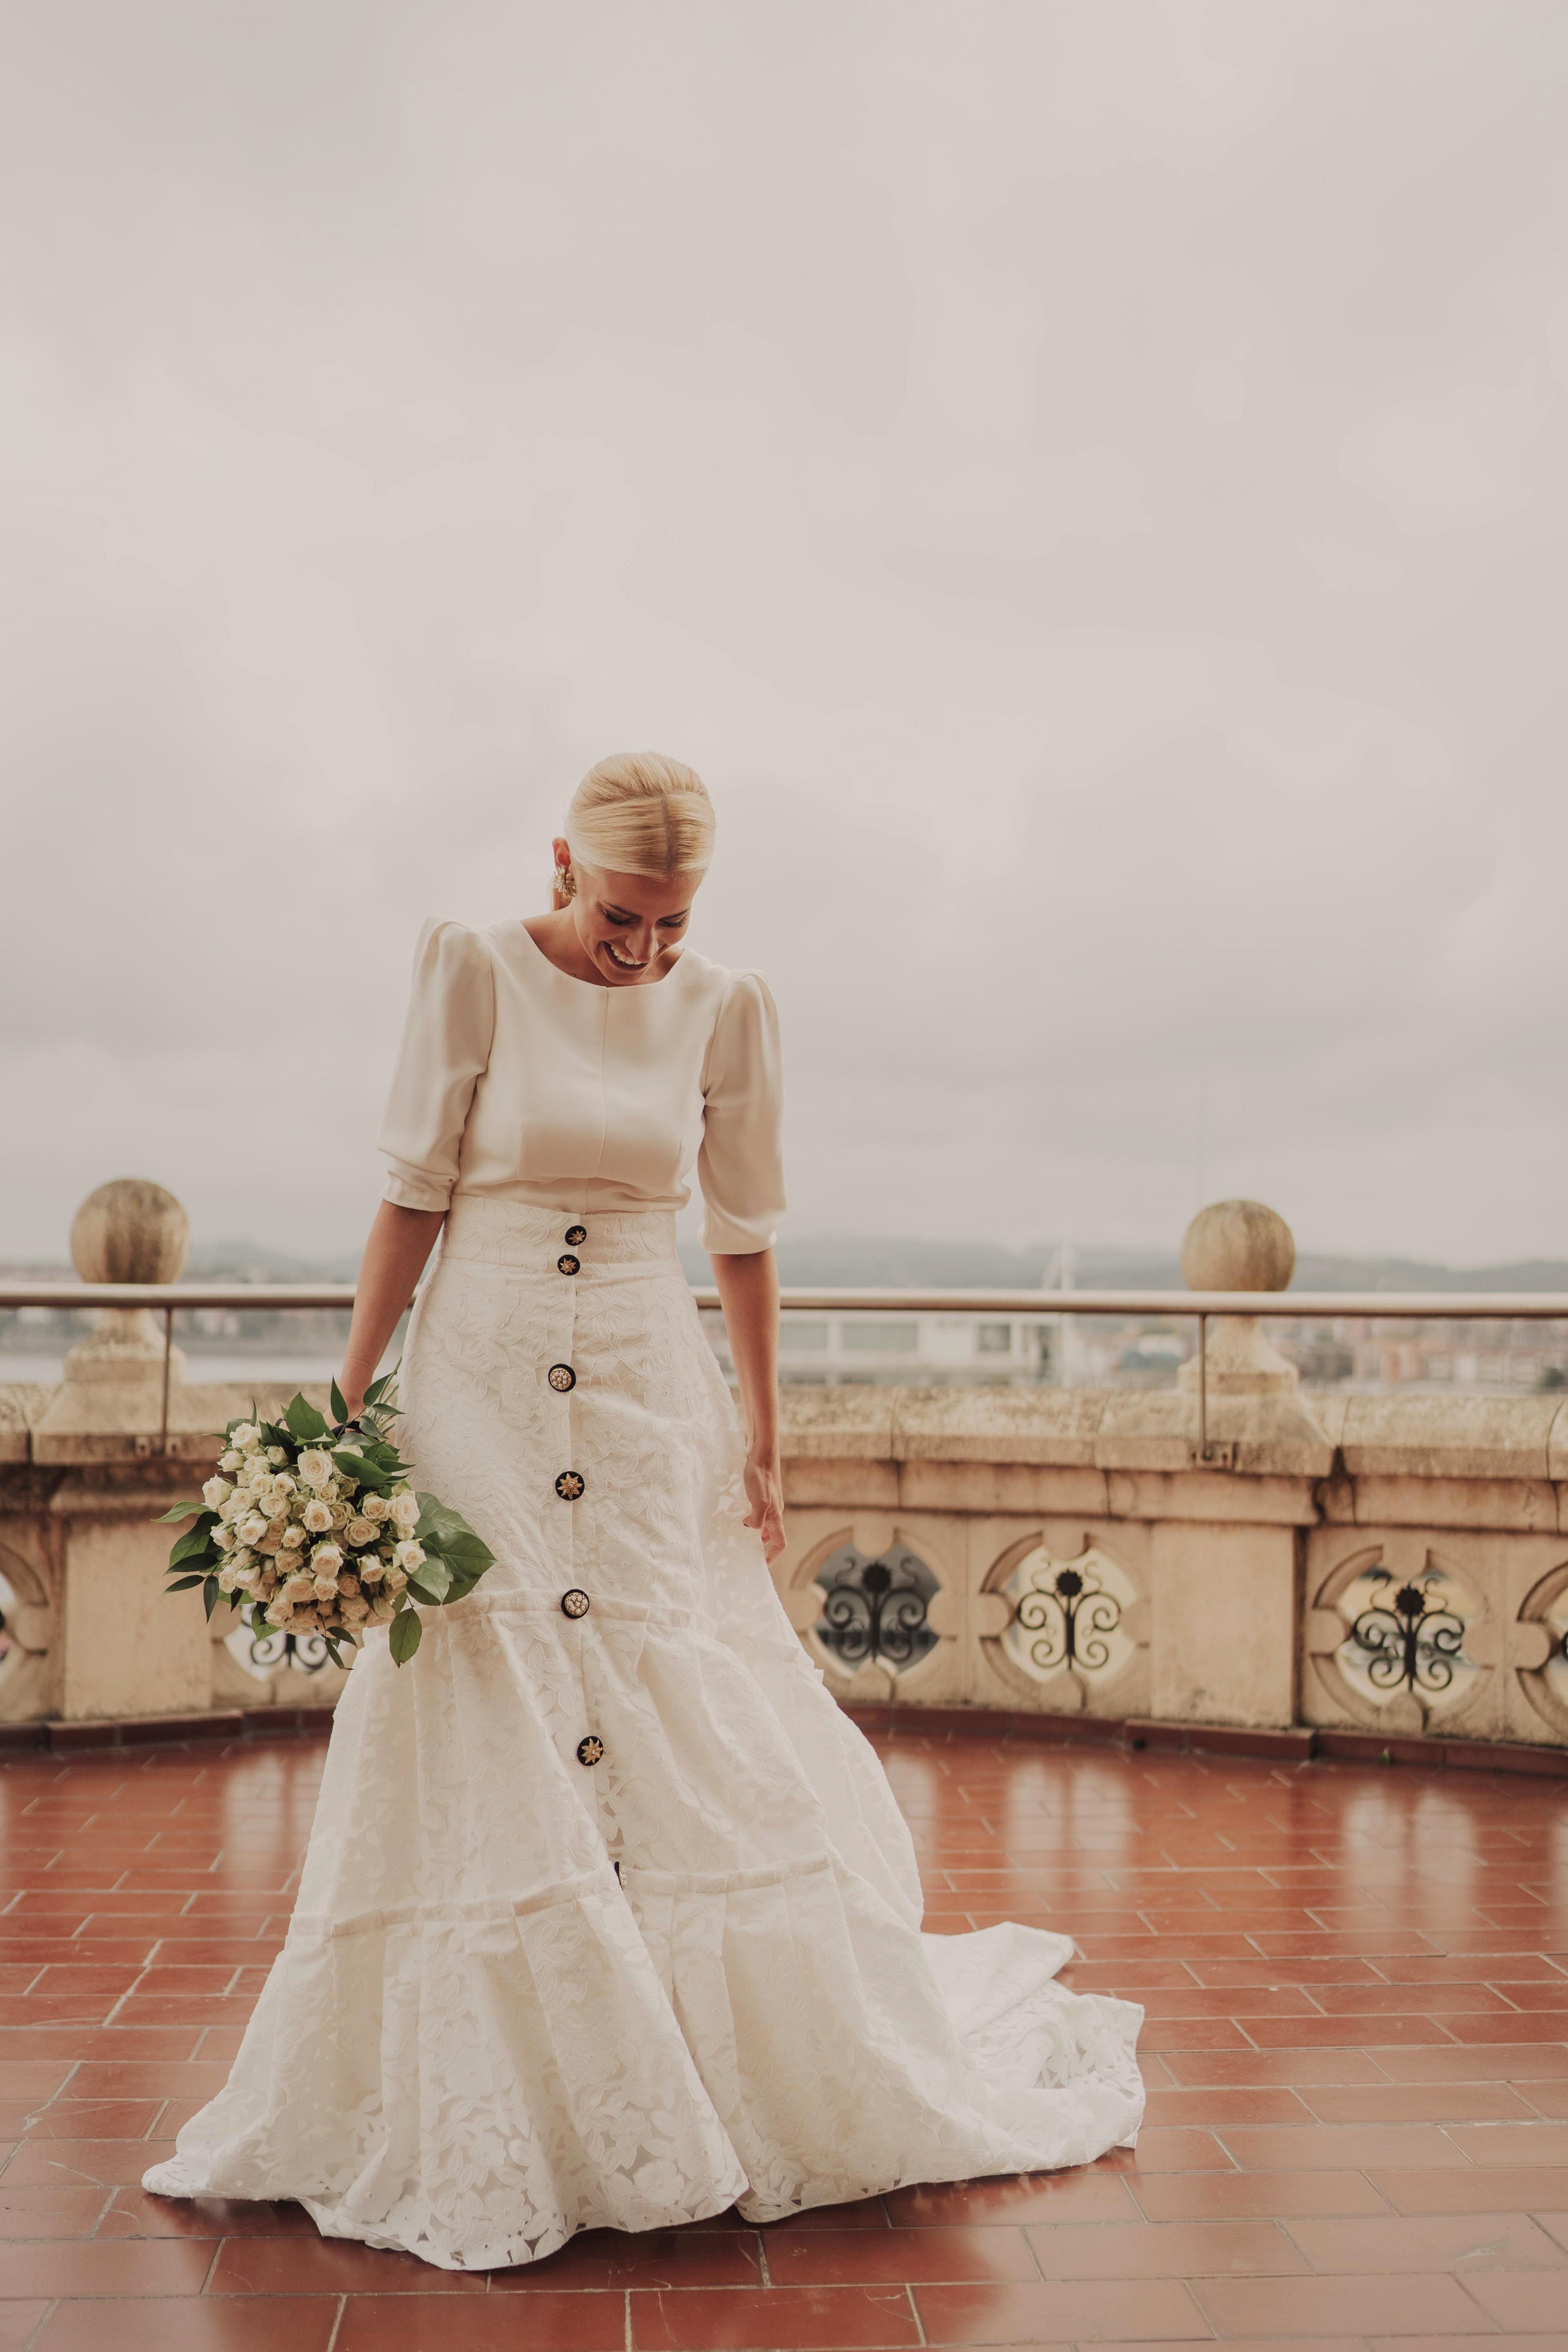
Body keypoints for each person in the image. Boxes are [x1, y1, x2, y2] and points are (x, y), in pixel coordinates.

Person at [144, 752, 1144, 2270]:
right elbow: (412, 1192)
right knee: (490, 1675)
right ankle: (526, 2070)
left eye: (673, 923)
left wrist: (761, 1431)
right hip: (474, 1370)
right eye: (625, 917)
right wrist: (352, 1395)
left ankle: (683, 2046)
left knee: (669, 1671)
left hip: (637, 1373)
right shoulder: (470, 968)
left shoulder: (727, 1008)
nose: (647, 950)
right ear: (564, 866)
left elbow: (740, 1233)